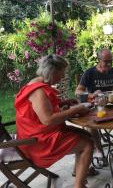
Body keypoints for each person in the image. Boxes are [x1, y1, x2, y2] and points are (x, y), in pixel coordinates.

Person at [15, 54, 94, 188]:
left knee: (86, 135)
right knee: (87, 145)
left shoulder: (36, 82)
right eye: (61, 74)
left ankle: (79, 170)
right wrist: (77, 109)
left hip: (38, 134)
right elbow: (48, 120)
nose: (62, 78)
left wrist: (64, 102)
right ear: (51, 72)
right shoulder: (38, 91)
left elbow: (41, 108)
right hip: (37, 142)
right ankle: (79, 185)